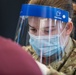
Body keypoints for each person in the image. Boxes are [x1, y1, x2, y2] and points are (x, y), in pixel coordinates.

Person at [15, 0, 76, 75]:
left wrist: (44, 71)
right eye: (33, 29)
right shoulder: (23, 54)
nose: (39, 37)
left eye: (48, 30)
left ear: (68, 28)